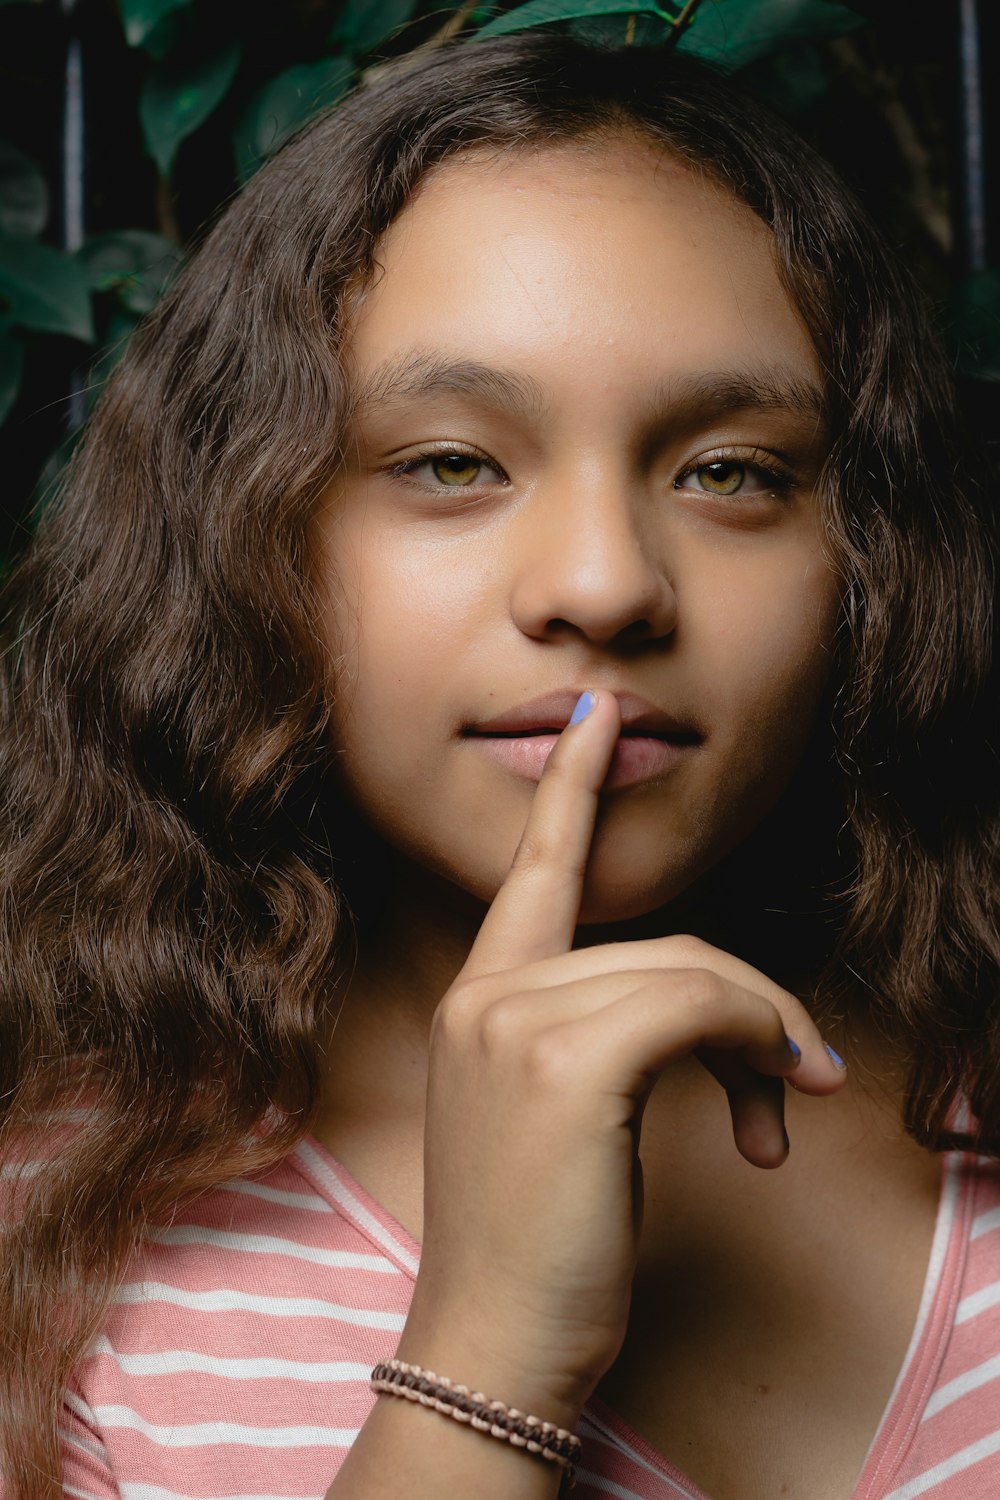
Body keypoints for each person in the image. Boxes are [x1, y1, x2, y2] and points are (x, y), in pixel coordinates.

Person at [1, 28, 997, 1500]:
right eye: (452, 463)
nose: (604, 586)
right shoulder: (51, 1248)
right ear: (249, 538)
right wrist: (486, 1361)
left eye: (731, 470)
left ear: (869, 557)